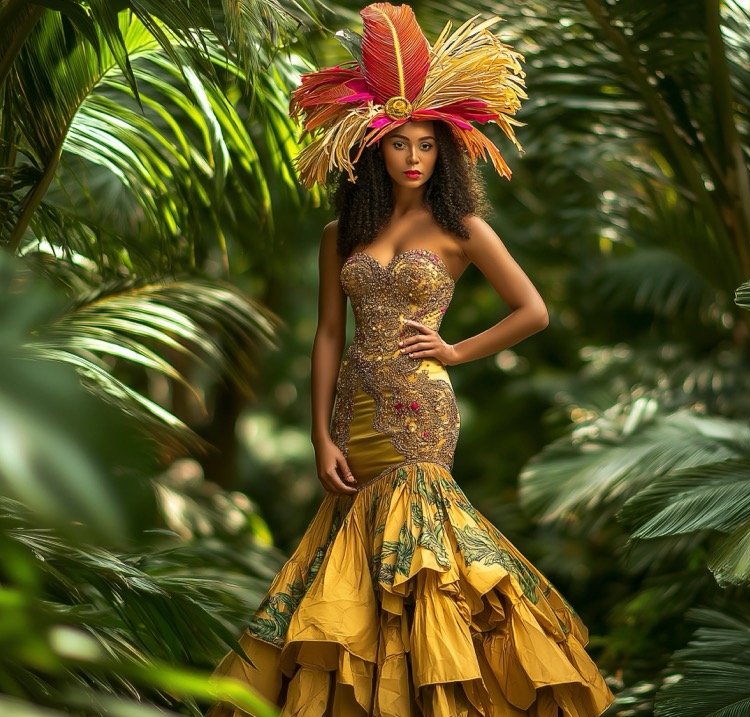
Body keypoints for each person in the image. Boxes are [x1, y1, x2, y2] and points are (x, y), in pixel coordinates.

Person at [208, 4, 615, 715]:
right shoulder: (341, 232)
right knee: (355, 556)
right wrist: (319, 434)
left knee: (421, 558)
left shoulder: (463, 228)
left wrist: (456, 349)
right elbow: (328, 335)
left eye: (426, 144)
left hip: (419, 409)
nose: (415, 156)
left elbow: (534, 310)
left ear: (443, 151)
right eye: (400, 144)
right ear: (374, 150)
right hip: (352, 413)